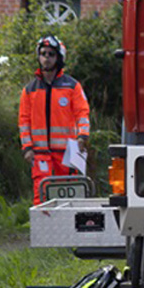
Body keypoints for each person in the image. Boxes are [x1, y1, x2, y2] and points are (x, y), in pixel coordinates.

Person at [18, 35, 91, 203]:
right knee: (41, 196)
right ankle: (41, 228)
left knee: (69, 196)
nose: (46, 58)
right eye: (43, 54)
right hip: (40, 154)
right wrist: (27, 148)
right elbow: (24, 122)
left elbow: (82, 113)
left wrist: (82, 137)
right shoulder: (30, 90)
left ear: (59, 58)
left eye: (51, 54)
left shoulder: (72, 87)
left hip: (68, 153)